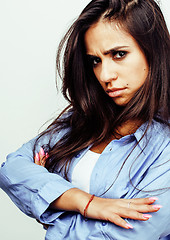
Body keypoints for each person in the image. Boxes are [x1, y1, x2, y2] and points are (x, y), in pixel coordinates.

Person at [0, 0, 169, 239]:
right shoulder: (81, 120)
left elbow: (129, 235)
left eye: (119, 54)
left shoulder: (165, 144)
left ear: (153, 51)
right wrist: (86, 203)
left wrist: (53, 203)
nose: (105, 75)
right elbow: (12, 170)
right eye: (95, 61)